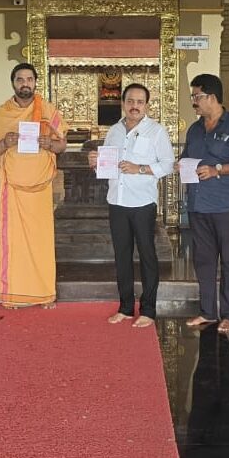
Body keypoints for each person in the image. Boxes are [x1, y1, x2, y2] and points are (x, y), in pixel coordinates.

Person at [87, 84, 174, 328]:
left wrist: (140, 169)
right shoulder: (114, 131)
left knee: (147, 255)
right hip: (117, 201)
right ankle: (125, 307)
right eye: (130, 101)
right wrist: (95, 163)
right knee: (122, 255)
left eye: (140, 102)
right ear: (123, 103)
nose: (135, 106)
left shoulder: (156, 131)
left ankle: (148, 310)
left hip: (142, 202)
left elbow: (168, 164)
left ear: (146, 105)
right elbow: (108, 166)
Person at [0, 63, 69, 309]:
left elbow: (62, 145)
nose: (25, 84)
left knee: (41, 243)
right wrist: (5, 142)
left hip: (40, 188)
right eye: (20, 79)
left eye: (29, 79)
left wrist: (49, 144)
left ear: (35, 82)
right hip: (12, 188)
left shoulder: (47, 110)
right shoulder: (1, 113)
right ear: (13, 83)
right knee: (14, 243)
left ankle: (44, 294)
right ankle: (14, 294)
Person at [179, 74, 229, 333]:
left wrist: (217, 169)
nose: (194, 101)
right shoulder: (195, 129)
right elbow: (186, 157)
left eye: (196, 96)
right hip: (198, 205)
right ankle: (208, 311)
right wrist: (181, 165)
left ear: (211, 97)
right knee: (203, 261)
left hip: (225, 206)